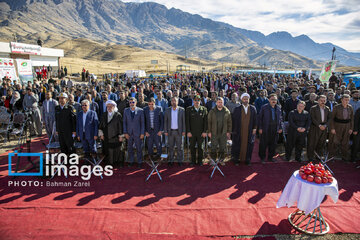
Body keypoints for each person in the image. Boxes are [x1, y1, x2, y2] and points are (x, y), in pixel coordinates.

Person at [232, 93, 257, 165]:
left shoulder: (253, 108)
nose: (245, 100)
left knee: (249, 144)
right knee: (237, 144)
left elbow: (255, 119)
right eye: (244, 99)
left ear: (249, 100)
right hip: (239, 130)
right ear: (241, 99)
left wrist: (255, 128)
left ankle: (247, 159)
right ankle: (236, 159)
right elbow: (234, 121)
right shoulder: (237, 109)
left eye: (247, 99)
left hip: (249, 131)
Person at [258, 94, 283, 163]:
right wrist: (260, 128)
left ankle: (270, 157)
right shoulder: (264, 107)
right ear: (269, 100)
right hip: (266, 128)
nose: (273, 101)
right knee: (263, 144)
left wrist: (280, 127)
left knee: (273, 144)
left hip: (275, 128)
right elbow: (260, 118)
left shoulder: (278, 108)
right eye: (272, 99)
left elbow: (280, 119)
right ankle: (262, 158)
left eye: (275, 99)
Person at [329, 94, 354, 161]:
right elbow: (332, 118)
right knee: (335, 142)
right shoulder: (336, 107)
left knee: (345, 143)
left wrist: (351, 128)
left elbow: (352, 119)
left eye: (348, 100)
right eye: (345, 100)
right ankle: (331, 157)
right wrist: (332, 128)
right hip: (338, 126)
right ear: (341, 100)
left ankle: (345, 157)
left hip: (347, 126)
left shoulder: (350, 107)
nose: (346, 101)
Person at [99, 100, 123, 166]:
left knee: (116, 150)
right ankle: (109, 163)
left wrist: (121, 136)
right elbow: (100, 126)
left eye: (111, 106)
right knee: (107, 150)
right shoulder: (104, 115)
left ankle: (116, 163)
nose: (109, 108)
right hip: (106, 136)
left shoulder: (118, 115)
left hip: (115, 136)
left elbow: (120, 126)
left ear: (114, 107)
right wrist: (101, 134)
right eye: (108, 106)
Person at [307, 95, 331, 161]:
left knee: (321, 143)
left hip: (324, 128)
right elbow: (313, 118)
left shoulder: (327, 108)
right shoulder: (313, 108)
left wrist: (325, 125)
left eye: (324, 100)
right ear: (318, 101)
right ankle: (310, 157)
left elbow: (329, 118)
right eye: (321, 100)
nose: (323, 102)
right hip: (315, 127)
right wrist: (319, 125)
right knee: (312, 143)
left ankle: (318, 156)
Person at [208, 97, 232, 163]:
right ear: (216, 103)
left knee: (223, 147)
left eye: (221, 102)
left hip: (223, 132)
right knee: (213, 147)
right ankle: (213, 160)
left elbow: (229, 122)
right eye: (219, 102)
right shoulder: (212, 111)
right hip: (214, 132)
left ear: (223, 103)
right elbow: (209, 122)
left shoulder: (227, 111)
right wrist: (209, 132)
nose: (220, 103)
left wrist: (228, 132)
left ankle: (221, 160)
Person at [186, 95, 208, 166]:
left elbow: (206, 122)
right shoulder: (189, 109)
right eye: (195, 100)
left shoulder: (204, 109)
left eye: (198, 100)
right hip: (192, 132)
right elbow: (187, 122)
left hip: (201, 132)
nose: (197, 102)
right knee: (192, 147)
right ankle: (193, 161)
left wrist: (205, 131)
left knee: (200, 147)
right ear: (193, 101)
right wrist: (188, 131)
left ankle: (200, 161)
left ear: (200, 101)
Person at [123, 97, 145, 167]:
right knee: (129, 148)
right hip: (129, 133)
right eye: (130, 102)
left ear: (136, 102)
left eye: (133, 102)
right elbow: (124, 122)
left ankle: (139, 162)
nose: (131, 104)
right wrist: (125, 132)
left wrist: (142, 133)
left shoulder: (140, 111)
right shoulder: (126, 110)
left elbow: (142, 123)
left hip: (138, 133)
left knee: (139, 148)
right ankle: (131, 161)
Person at [164, 96, 186, 166]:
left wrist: (183, 131)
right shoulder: (167, 110)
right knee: (171, 147)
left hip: (179, 132)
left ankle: (180, 160)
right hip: (170, 132)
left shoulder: (182, 110)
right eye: (172, 101)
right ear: (171, 102)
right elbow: (165, 122)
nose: (174, 102)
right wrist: (165, 131)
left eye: (175, 101)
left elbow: (183, 121)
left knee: (180, 147)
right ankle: (171, 160)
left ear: (178, 102)